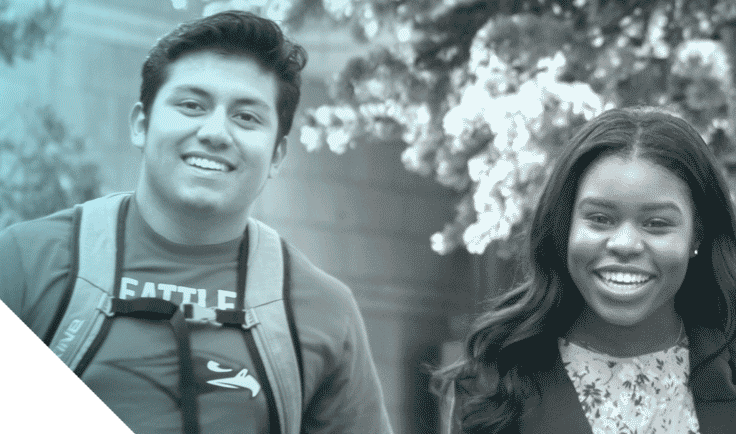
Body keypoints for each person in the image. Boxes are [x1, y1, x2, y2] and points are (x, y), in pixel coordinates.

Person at [0, 11, 393, 434]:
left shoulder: (325, 310)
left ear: (277, 155)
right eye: (191, 105)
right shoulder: (24, 262)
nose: (215, 132)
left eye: (246, 117)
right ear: (141, 124)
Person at [434, 107, 736, 434]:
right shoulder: (492, 387)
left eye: (657, 224)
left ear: (698, 234)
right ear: (564, 226)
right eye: (600, 219)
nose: (624, 244)